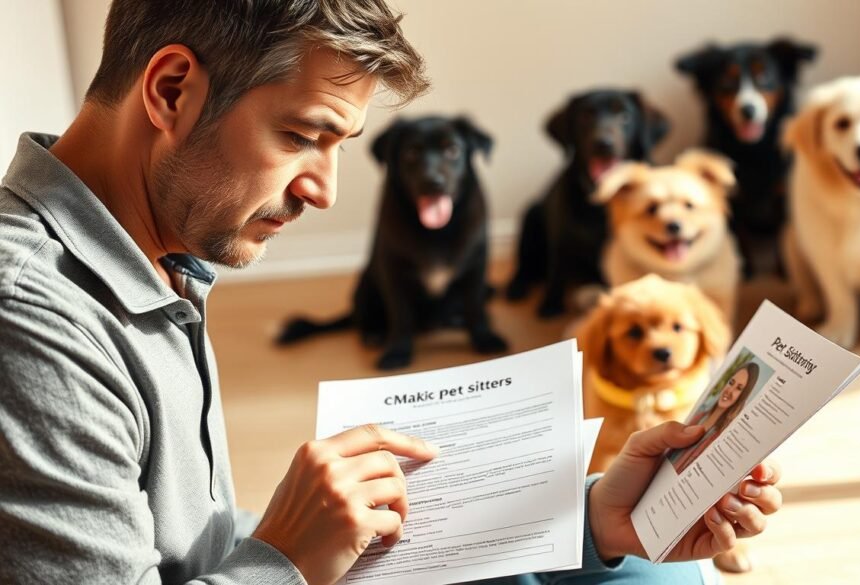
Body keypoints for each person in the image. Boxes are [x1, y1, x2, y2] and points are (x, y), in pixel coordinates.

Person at [0, 2, 782, 584]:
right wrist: (285, 557)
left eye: (341, 147)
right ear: (171, 90)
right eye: (303, 136)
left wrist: (584, 521)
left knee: (640, 548)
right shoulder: (29, 319)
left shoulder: (148, 250)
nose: (325, 190)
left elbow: (178, 550)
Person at [672, 362, 761, 473]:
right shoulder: (699, 416)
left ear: (743, 396)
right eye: (731, 382)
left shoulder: (723, 438)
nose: (730, 390)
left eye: (739, 388)